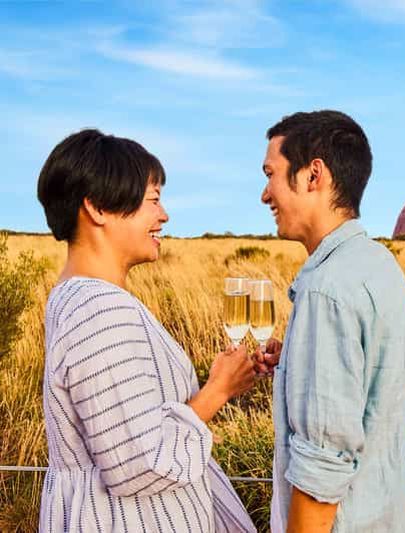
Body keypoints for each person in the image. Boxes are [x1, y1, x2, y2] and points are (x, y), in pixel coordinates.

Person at [36, 129, 259, 532]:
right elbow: (136, 463)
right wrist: (217, 392)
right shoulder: (98, 310)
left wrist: (224, 381)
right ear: (97, 207)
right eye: (153, 200)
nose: (164, 215)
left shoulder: (78, 301)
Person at [259, 111, 405, 532]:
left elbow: (322, 466)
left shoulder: (326, 288)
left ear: (313, 175)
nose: (265, 194)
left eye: (271, 174)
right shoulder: (377, 263)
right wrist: (298, 360)